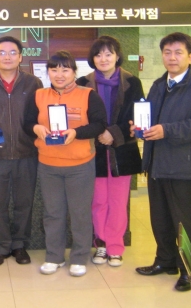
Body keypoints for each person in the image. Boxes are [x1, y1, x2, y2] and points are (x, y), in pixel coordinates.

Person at [133, 32, 191, 292]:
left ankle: (189, 271)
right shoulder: (160, 85)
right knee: (160, 218)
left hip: (184, 166)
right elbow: (151, 117)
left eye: (178, 52)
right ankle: (165, 260)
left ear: (190, 57)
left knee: (185, 222)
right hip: (157, 163)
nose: (172, 57)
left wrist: (166, 130)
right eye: (167, 52)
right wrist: (140, 128)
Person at [24, 51, 107, 277]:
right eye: (54, 69)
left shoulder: (88, 95)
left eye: (65, 69)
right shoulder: (38, 95)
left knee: (80, 213)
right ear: (48, 72)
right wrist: (36, 128)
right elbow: (27, 123)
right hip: (48, 164)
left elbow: (100, 124)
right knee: (53, 213)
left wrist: (76, 133)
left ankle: (79, 257)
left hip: (80, 165)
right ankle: (54, 256)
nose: (59, 74)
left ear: (74, 72)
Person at [76, 36, 144, 268]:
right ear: (92, 58)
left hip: (121, 150)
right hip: (92, 150)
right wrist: (98, 133)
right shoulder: (83, 82)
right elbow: (79, 115)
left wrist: (113, 133)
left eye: (108, 54)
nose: (103, 59)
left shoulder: (132, 82)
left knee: (118, 201)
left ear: (117, 56)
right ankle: (101, 244)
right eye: (98, 54)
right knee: (98, 201)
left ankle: (115, 247)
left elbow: (137, 115)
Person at [0, 36, 43, 267]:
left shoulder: (33, 83)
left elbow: (40, 116)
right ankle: (1, 246)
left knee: (24, 202)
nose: (7, 57)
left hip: (27, 152)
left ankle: (19, 245)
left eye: (13, 52)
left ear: (20, 57)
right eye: (1, 52)